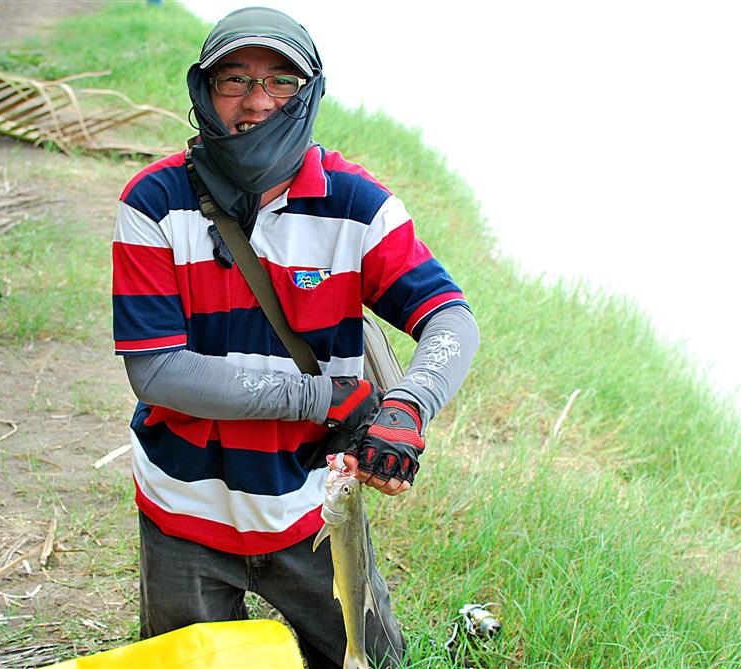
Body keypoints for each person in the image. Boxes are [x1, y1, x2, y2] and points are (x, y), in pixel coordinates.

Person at [111, 7, 479, 668]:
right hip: (182, 506)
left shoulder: (358, 206)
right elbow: (159, 373)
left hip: (313, 509)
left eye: (282, 81)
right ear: (204, 92)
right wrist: (322, 396)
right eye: (234, 80)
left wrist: (407, 405)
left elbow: (450, 318)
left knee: (369, 661)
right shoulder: (151, 202)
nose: (257, 101)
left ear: (310, 94)